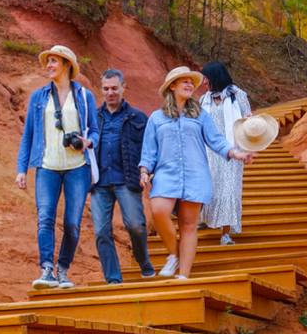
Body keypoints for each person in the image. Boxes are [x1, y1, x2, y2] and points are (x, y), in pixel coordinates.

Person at [139, 66, 252, 280]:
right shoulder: (156, 118)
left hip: (195, 175)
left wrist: (236, 153)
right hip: (166, 174)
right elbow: (149, 150)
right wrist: (145, 170)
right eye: (185, 81)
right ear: (172, 86)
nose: (190, 85)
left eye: (192, 82)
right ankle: (174, 255)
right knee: (159, 210)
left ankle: (183, 276)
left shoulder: (200, 114)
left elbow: (216, 140)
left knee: (189, 226)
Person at [16, 45, 99, 289]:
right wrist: (22, 169)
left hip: (78, 167)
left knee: (72, 222)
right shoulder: (39, 97)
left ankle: (63, 268)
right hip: (47, 166)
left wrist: (88, 141)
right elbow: (28, 135)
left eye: (54, 61)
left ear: (66, 65)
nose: (49, 66)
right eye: (48, 61)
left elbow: (94, 129)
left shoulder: (84, 96)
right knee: (45, 218)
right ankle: (47, 269)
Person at [90, 69, 155, 284]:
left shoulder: (138, 117)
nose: (110, 93)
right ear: (102, 90)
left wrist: (148, 171)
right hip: (99, 183)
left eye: (114, 88)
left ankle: (143, 260)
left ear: (123, 87)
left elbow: (150, 147)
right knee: (101, 231)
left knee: (135, 225)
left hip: (127, 179)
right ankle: (113, 278)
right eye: (106, 89)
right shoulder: (93, 118)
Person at [199, 61, 252, 245]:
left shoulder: (238, 96)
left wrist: (247, 149)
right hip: (209, 152)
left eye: (206, 78)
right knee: (210, 187)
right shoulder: (203, 100)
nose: (204, 82)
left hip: (231, 150)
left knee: (229, 189)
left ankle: (225, 233)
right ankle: (206, 219)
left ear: (215, 77)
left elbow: (248, 123)